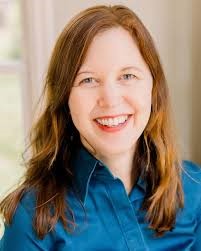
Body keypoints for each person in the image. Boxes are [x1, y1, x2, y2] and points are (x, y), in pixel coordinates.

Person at [0, 4, 201, 251]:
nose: (110, 99)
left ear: (153, 87)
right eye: (88, 80)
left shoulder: (195, 192)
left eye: (127, 76)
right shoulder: (32, 219)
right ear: (65, 98)